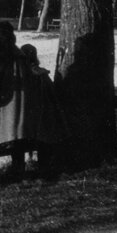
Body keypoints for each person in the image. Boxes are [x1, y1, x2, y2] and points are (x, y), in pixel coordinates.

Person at [0, 21, 33, 177]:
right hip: (22, 100)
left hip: (5, 101)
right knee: (18, 134)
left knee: (6, 132)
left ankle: (15, 169)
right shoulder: (20, 55)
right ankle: (19, 166)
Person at [20, 43, 68, 174]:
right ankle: (44, 166)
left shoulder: (23, 75)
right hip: (44, 116)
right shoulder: (42, 75)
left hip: (31, 118)